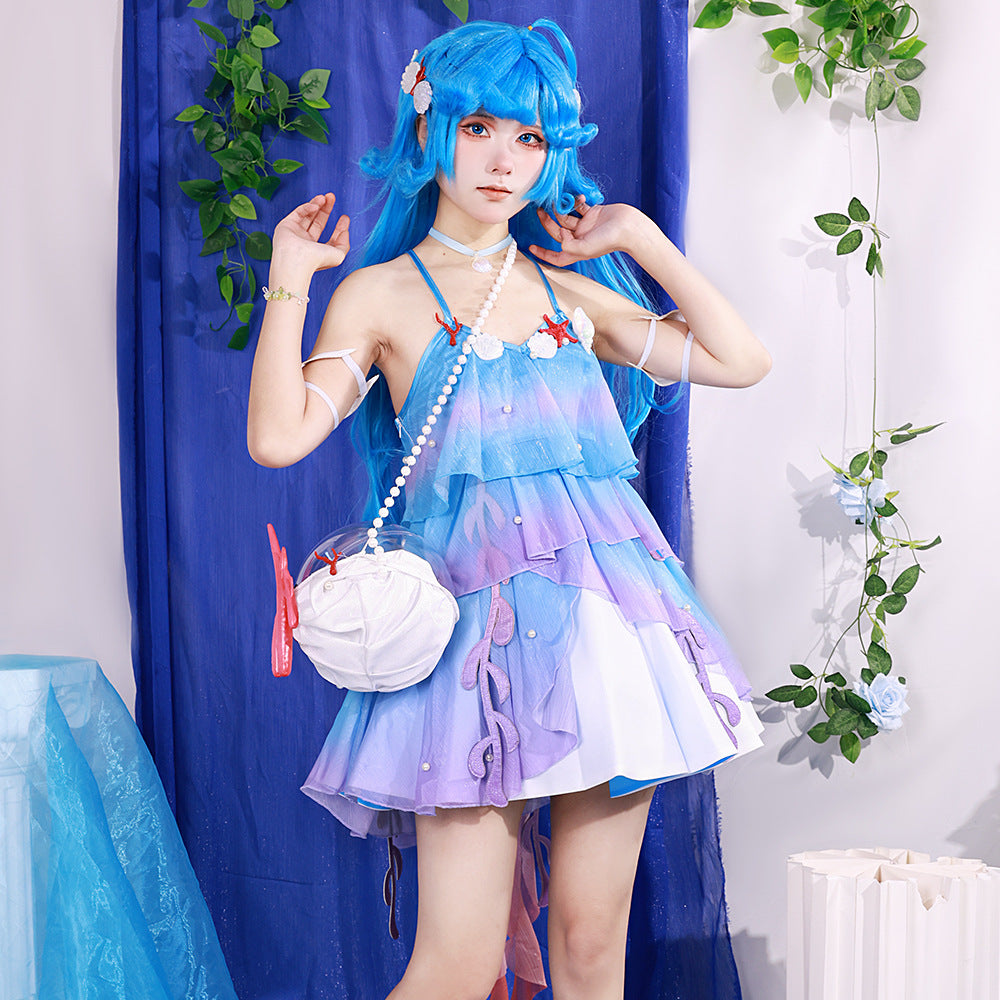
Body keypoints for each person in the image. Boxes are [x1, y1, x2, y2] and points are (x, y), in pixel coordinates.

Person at [247, 18, 770, 1000]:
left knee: (590, 951)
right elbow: (278, 437)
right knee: (453, 964)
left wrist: (639, 237)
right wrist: (289, 282)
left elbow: (739, 360)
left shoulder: (573, 294)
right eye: (480, 126)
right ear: (429, 125)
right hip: (468, 655)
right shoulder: (380, 296)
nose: (503, 160)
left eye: (530, 137)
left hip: (609, 634)